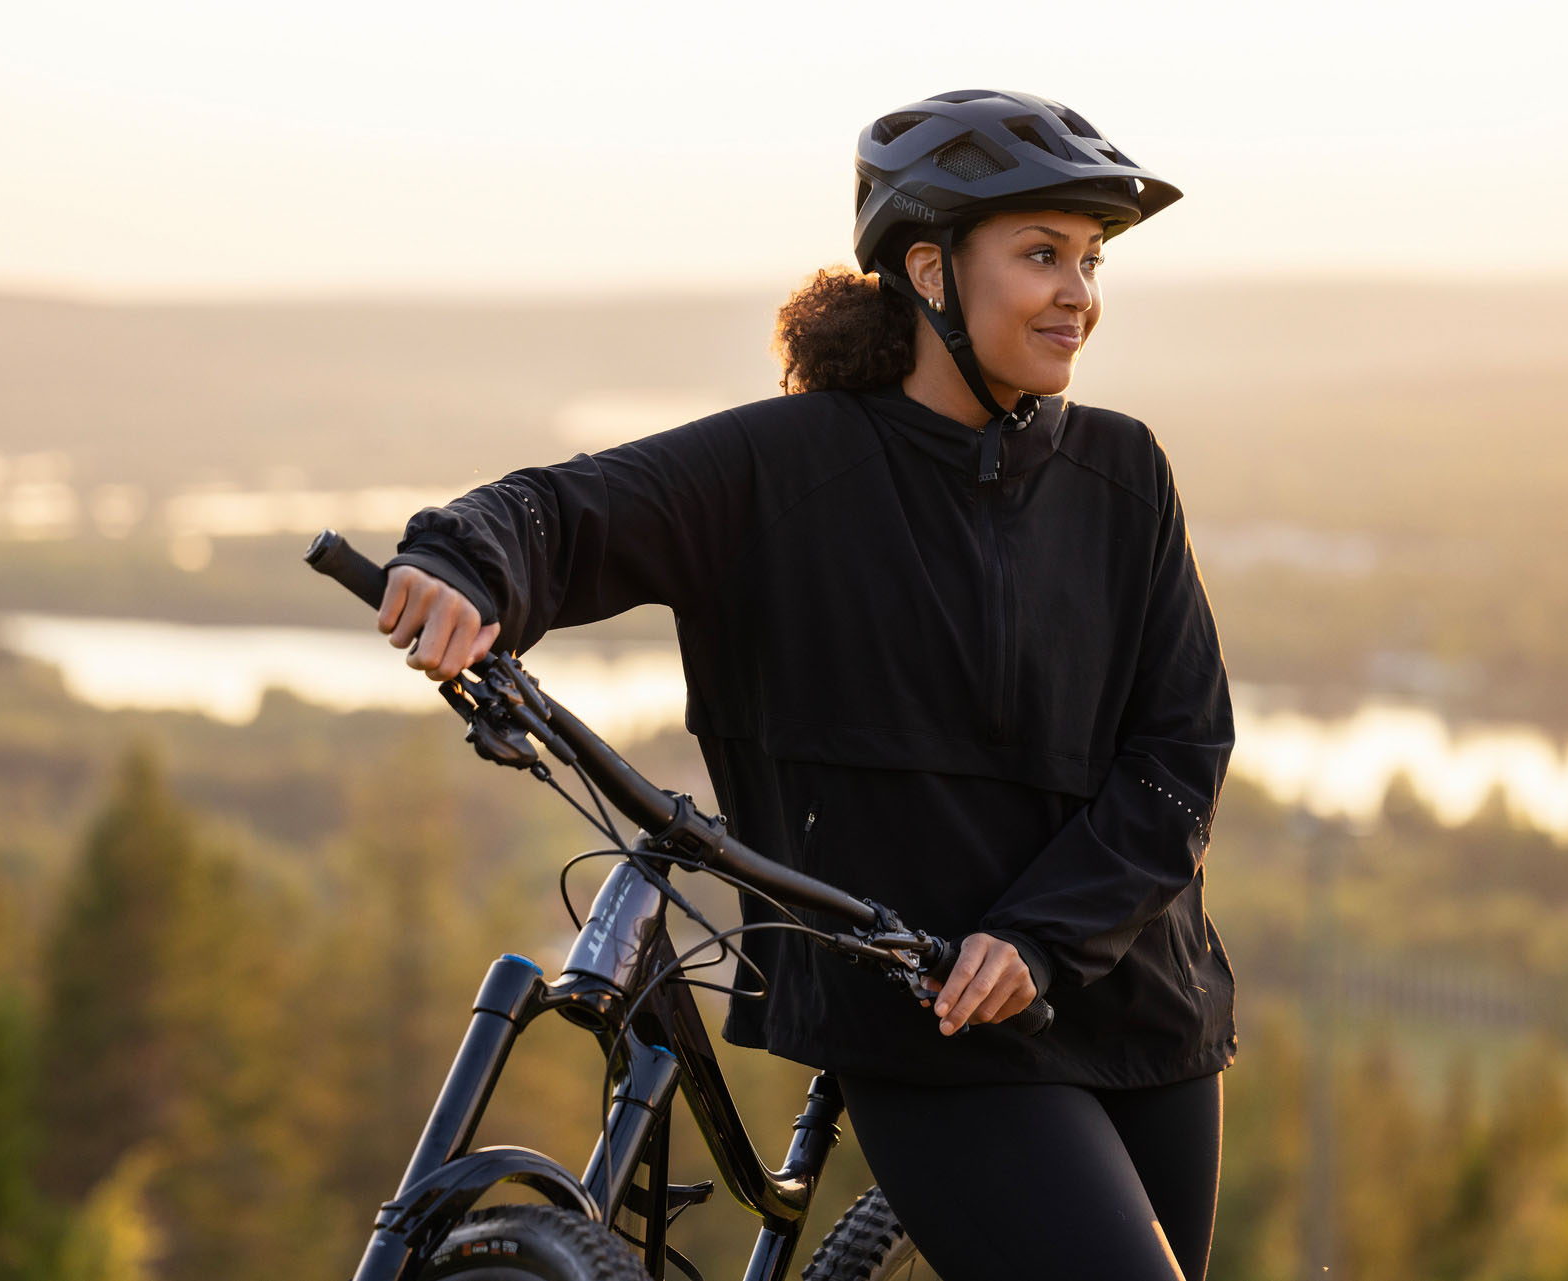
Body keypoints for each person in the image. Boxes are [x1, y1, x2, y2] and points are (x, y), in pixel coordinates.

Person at [377, 88, 1234, 1281]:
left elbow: (1178, 751)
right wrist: (462, 562)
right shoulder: (791, 466)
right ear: (929, 269)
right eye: (1043, 255)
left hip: (1146, 1013)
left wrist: (1039, 939)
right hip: (926, 1018)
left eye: (1089, 261)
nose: (1080, 295)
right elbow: (576, 511)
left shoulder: (1122, 472)